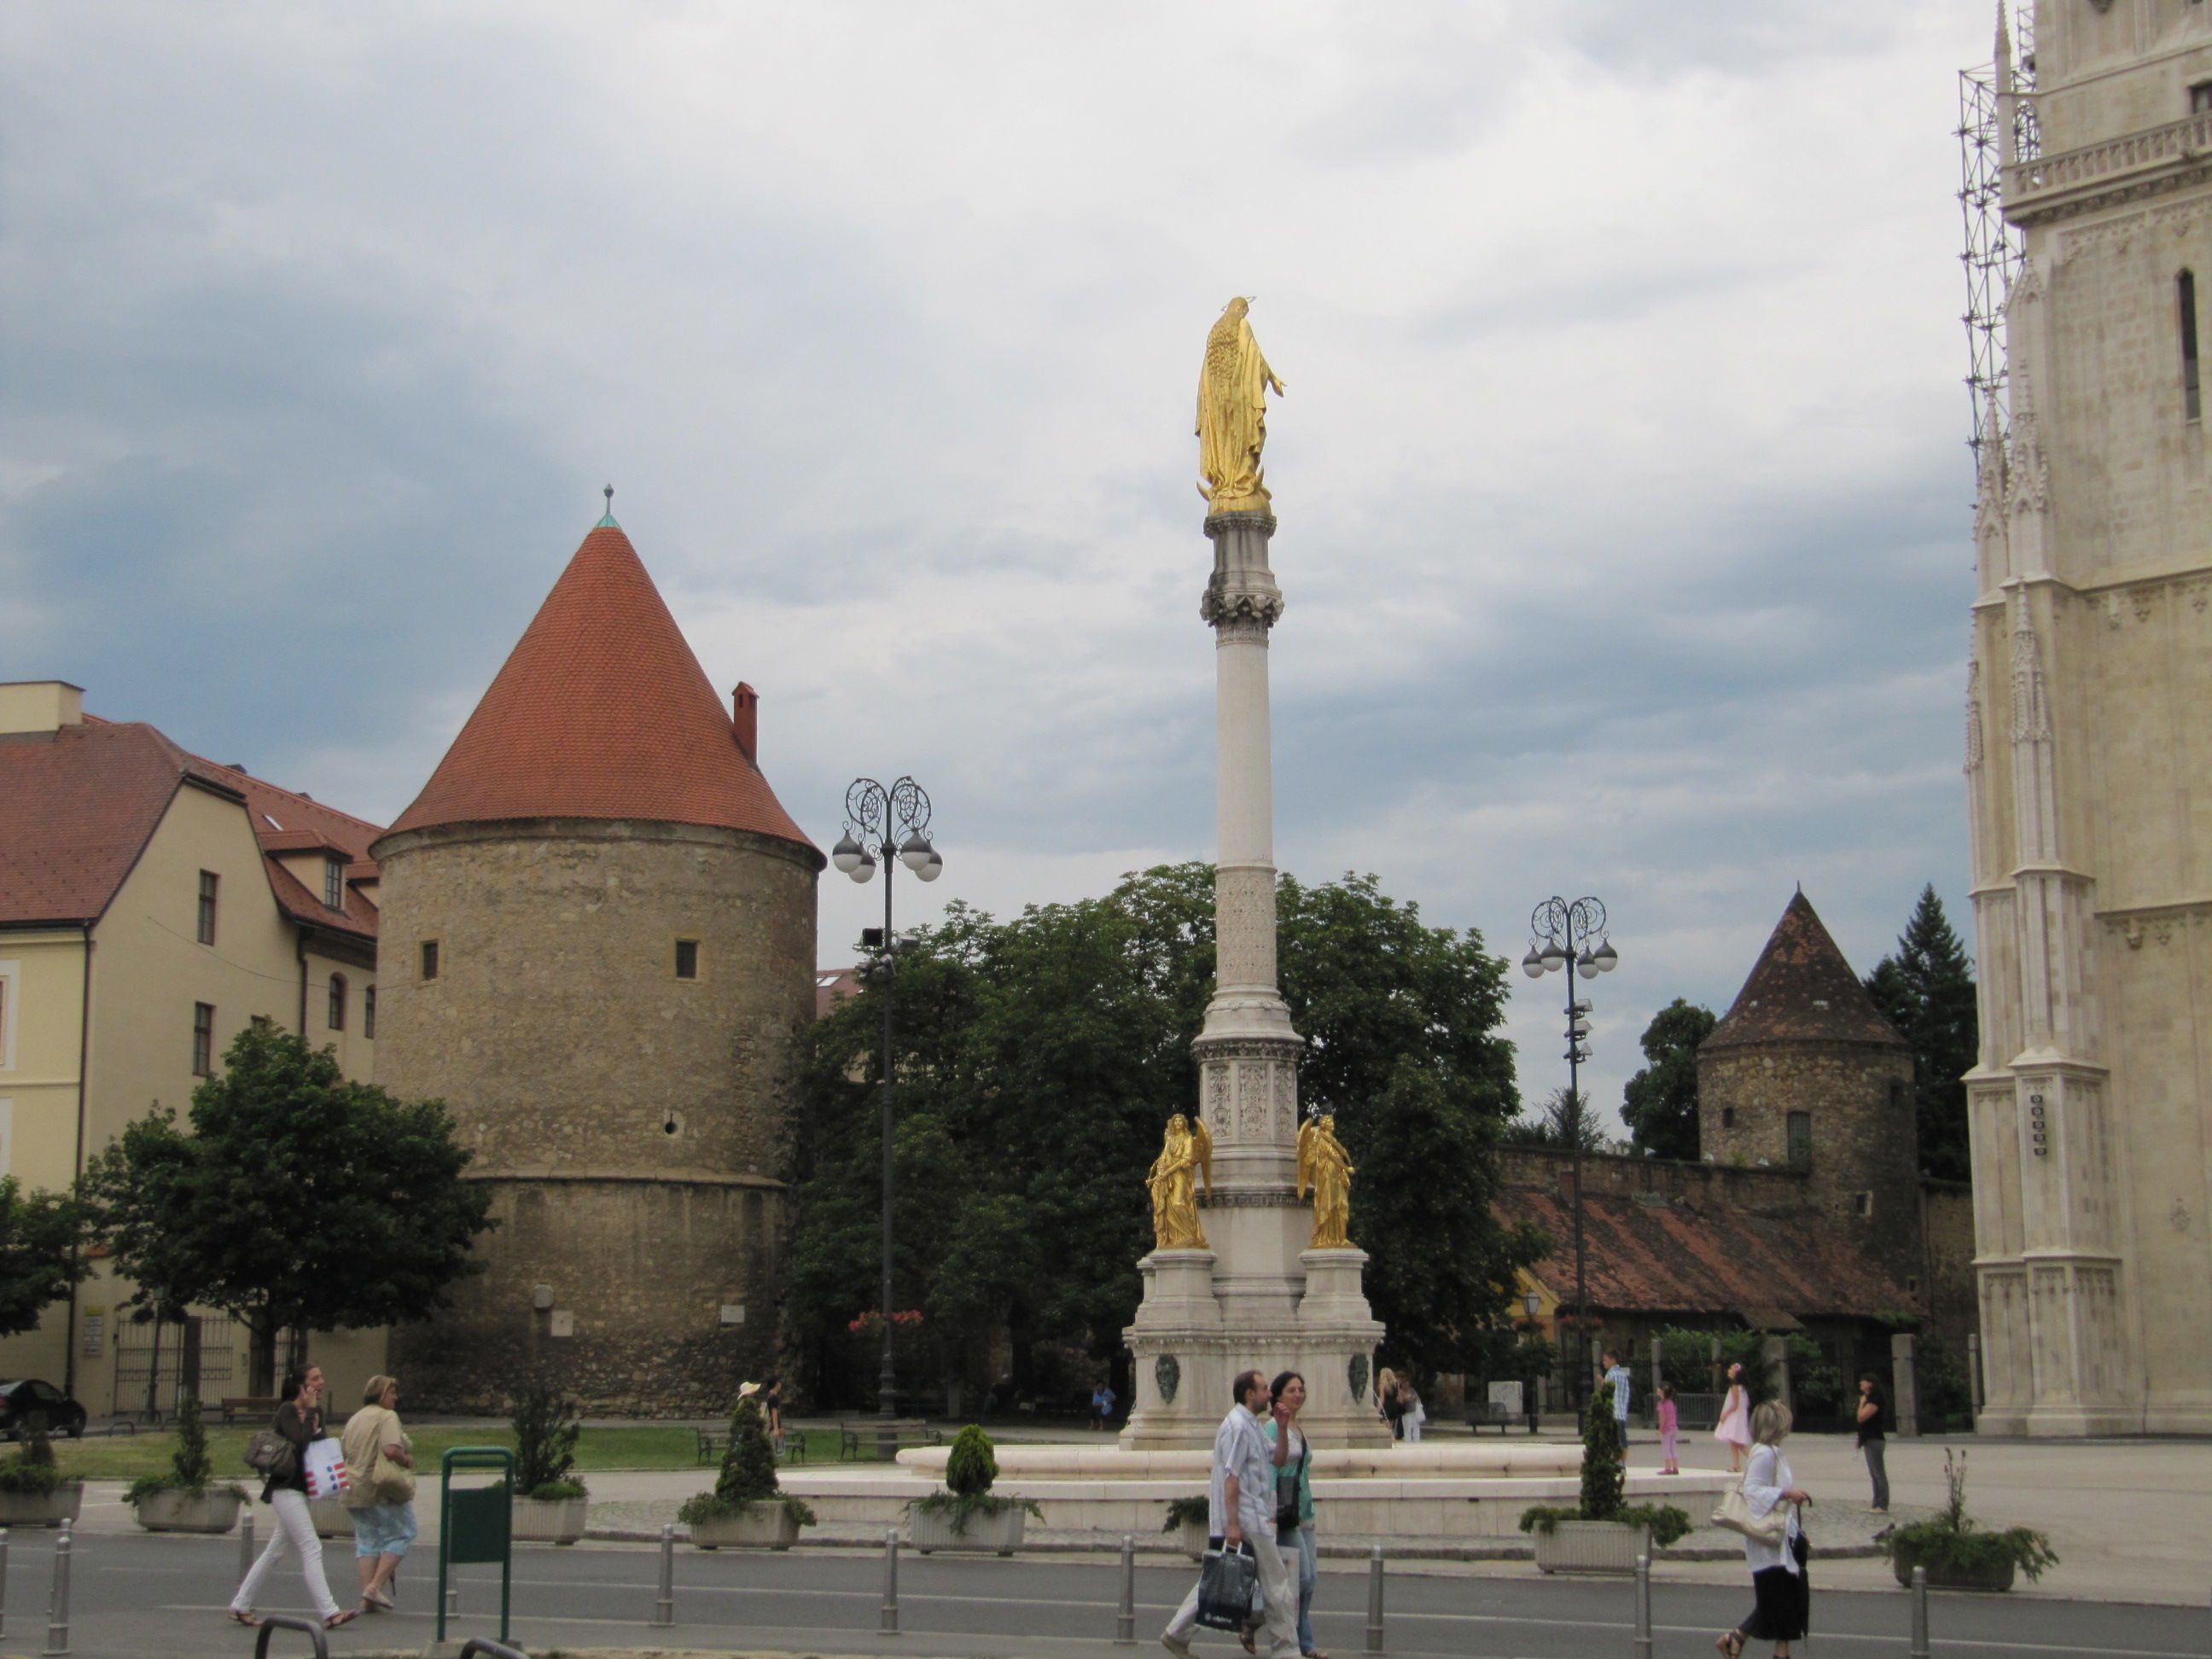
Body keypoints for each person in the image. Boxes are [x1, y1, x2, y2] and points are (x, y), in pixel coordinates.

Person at [1161, 1369, 1300, 1659]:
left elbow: (1279, 1458)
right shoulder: (1237, 1426)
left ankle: (1176, 1633)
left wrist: (1283, 1426)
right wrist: (1233, 1524)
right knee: (1277, 1584)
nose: (1269, 1393)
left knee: (1219, 1578)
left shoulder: (1253, 1425)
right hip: (1249, 1518)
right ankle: (1286, 1649)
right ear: (1250, 1394)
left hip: (1253, 1515)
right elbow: (1231, 1477)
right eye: (1264, 1389)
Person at [229, 1365, 356, 1630]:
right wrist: (309, 1413)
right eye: (315, 1378)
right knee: (312, 1546)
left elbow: (317, 1447)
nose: (321, 1382)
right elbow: (298, 1442)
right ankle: (330, 1612)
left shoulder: (315, 1412)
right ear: (302, 1386)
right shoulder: (288, 1410)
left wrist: (316, 1421)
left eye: (321, 1376)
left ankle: (240, 1605)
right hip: (285, 1489)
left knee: (274, 1551)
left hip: (303, 1488)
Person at [1716, 1401, 1811, 1659]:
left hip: (1781, 1540)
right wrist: (1787, 1493)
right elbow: (1753, 1491)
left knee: (1782, 1608)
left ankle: (1735, 1639)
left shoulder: (1774, 1452)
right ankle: (1735, 1639)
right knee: (1780, 1607)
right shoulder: (1764, 1453)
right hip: (1769, 1543)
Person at [341, 1374, 416, 1614]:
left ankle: (367, 1599)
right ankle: (375, 1586)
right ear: (382, 1393)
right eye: (392, 1392)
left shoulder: (355, 1418)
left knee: (368, 1541)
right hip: (380, 1487)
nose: (396, 1397)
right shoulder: (387, 1416)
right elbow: (391, 1448)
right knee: (404, 1532)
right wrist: (405, 1460)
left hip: (354, 1487)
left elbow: (345, 1450)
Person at [1261, 1372, 1324, 1659]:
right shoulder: (1275, 1427)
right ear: (1277, 1396)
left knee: (1307, 1580)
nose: (1298, 1394)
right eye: (1291, 1390)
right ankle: (1301, 1642)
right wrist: (1272, 1511)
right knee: (1302, 1579)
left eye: (1301, 1389)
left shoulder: (1298, 1426)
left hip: (1303, 1510)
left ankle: (1296, 1637)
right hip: (1286, 1513)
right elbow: (1271, 1469)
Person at [1854, 1375, 1889, 1514]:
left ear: (1870, 1384)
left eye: (1863, 1382)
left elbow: (1861, 1417)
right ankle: (1876, 1503)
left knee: (1878, 1472)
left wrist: (1861, 1403)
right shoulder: (1870, 1399)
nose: (1860, 1384)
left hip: (1875, 1439)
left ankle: (1882, 1504)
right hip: (1868, 1439)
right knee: (1874, 1473)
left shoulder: (1875, 1400)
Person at [1714, 1361, 1754, 1473]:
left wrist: (1725, 1414)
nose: (1729, 1371)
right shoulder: (1742, 1388)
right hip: (1739, 1416)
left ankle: (1749, 1461)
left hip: (1735, 1417)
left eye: (1731, 1370)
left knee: (1736, 1441)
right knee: (1734, 1441)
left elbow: (1735, 1404)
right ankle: (1737, 1465)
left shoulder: (1734, 1387)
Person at [1602, 1351, 1633, 1452]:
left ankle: (1614, 1460)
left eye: (1605, 1360)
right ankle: (1622, 1462)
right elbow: (1626, 1393)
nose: (1603, 1362)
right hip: (1622, 1412)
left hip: (1612, 1412)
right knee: (1622, 1439)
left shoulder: (1610, 1375)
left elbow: (1607, 1393)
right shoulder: (1623, 1375)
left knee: (1611, 1439)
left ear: (1613, 1360)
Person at [1657, 1382, 1680, 1476]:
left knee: (1666, 1448)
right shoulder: (1672, 1403)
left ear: (1662, 1392)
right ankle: (1675, 1467)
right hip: (1674, 1428)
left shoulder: (1661, 1404)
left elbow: (1662, 1418)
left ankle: (1667, 1468)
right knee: (1673, 1448)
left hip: (1666, 1429)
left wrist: (1660, 1429)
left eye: (1659, 1389)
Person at [1376, 1368, 1405, 1441]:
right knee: (1391, 1426)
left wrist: (1378, 1410)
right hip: (1394, 1406)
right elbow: (1399, 1397)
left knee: (1385, 1427)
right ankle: (1392, 1439)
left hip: (1386, 1406)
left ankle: (1390, 1440)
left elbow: (1382, 1398)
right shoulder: (1396, 1384)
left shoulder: (1383, 1385)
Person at [1400, 1380, 1425, 1444]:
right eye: (1405, 1384)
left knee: (1416, 1426)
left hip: (1415, 1411)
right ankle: (1408, 1441)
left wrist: (1410, 1398)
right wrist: (1410, 1398)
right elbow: (1404, 1399)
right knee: (1407, 1427)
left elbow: (1417, 1397)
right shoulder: (1400, 1391)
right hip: (1407, 1412)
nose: (1406, 1386)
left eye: (1407, 1384)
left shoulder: (1412, 1390)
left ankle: (1416, 1440)